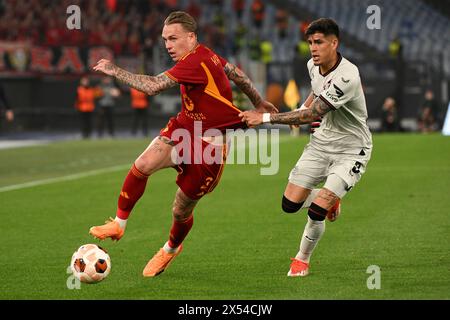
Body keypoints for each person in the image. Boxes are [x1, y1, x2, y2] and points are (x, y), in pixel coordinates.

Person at [89, 11, 277, 277]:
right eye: (165, 39)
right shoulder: (205, 54)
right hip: (185, 128)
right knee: (144, 163)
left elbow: (153, 86)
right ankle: (119, 223)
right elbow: (235, 73)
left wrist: (113, 70)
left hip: (209, 148)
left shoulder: (195, 62)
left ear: (191, 38)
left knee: (180, 209)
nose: (168, 45)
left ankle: (170, 248)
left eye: (173, 38)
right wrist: (257, 100)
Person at [240, 18, 373, 277]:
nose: (313, 48)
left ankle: (302, 258)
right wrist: (302, 107)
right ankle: (331, 201)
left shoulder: (347, 75)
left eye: (319, 42)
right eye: (310, 42)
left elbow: (315, 113)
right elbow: (315, 95)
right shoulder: (313, 65)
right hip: (321, 144)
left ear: (334, 43)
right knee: (289, 204)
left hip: (351, 148)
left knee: (316, 209)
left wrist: (265, 118)